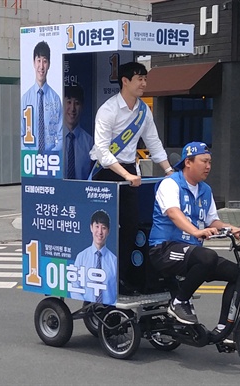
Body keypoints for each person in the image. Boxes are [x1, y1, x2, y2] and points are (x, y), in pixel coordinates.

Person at [89, 61, 174, 294]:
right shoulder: (108, 110)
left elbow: (153, 142)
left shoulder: (143, 111)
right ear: (125, 81)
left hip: (129, 172)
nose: (144, 83)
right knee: (103, 230)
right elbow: (102, 151)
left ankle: (123, 277)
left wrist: (168, 171)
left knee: (130, 227)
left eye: (145, 78)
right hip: (106, 174)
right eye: (139, 78)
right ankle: (101, 276)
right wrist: (126, 174)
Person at [149, 142, 240, 341]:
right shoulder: (171, 184)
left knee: (238, 274)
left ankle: (225, 330)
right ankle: (179, 303)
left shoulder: (205, 190)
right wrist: (196, 231)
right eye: (204, 161)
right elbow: (174, 213)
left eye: (210, 162)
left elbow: (212, 220)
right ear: (188, 162)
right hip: (164, 249)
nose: (208, 166)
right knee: (207, 256)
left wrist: (231, 228)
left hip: (191, 253)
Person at [21, 41, 63, 152]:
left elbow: (61, 134)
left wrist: (51, 155)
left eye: (45, 61)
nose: (41, 66)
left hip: (51, 161)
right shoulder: (25, 99)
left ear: (49, 64)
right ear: (33, 63)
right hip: (30, 159)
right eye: (38, 61)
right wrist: (30, 155)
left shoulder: (56, 99)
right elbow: (21, 133)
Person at [70, 210, 117, 304]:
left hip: (109, 312)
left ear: (108, 231)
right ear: (91, 227)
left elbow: (118, 291)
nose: (100, 232)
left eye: (103, 228)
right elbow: (74, 285)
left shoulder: (114, 260)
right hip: (87, 310)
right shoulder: (81, 257)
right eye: (97, 226)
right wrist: (85, 306)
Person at [63, 85, 93, 179]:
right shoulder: (51, 139)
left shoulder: (89, 142)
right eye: (68, 102)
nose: (72, 108)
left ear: (82, 106)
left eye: (77, 103)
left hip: (81, 192)